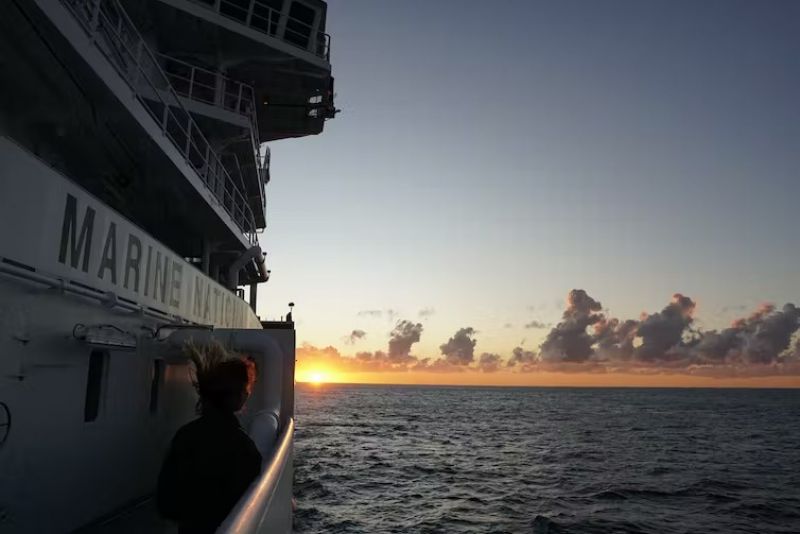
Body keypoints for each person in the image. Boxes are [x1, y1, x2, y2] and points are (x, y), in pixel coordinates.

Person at [157, 341, 262, 534]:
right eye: (246, 391)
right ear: (238, 397)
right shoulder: (243, 447)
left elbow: (166, 503)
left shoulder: (185, 436)